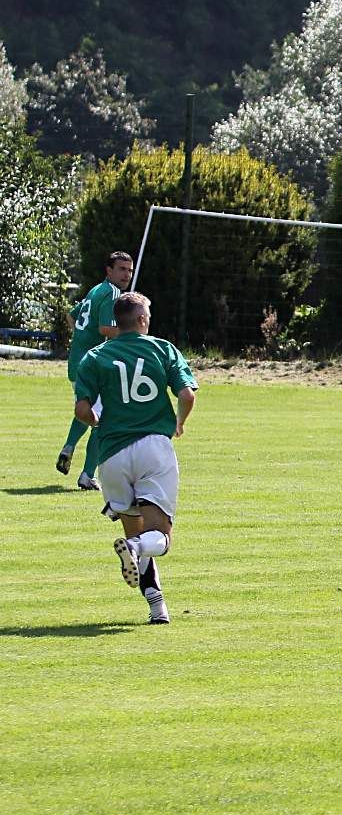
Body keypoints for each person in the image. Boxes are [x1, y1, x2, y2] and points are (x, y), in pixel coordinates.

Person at [71, 292, 197, 624]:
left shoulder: (95, 356)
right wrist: (180, 423)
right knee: (158, 538)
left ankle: (158, 608)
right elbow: (186, 395)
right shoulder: (163, 349)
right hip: (153, 449)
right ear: (142, 320)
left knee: (134, 531)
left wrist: (98, 423)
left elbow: (82, 410)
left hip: (112, 455)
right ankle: (138, 549)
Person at [57, 250, 132, 490]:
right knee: (103, 419)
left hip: (76, 362)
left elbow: (71, 316)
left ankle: (69, 446)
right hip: (93, 366)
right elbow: (105, 329)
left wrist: (82, 339)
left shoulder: (96, 290)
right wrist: (133, 335)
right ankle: (88, 475)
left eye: (129, 270)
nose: (127, 275)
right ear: (109, 270)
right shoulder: (113, 293)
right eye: (121, 269)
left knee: (87, 409)